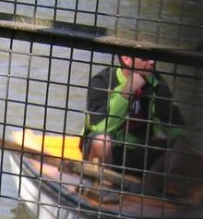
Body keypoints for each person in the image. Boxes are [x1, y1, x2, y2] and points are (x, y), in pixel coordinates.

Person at [81, 54, 190, 194]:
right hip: (110, 150)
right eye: (145, 58)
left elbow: (175, 122)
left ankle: (149, 190)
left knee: (180, 149)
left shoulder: (156, 83)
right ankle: (103, 187)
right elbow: (100, 126)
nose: (152, 61)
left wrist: (180, 142)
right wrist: (127, 91)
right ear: (127, 59)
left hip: (140, 149)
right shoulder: (102, 81)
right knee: (102, 142)